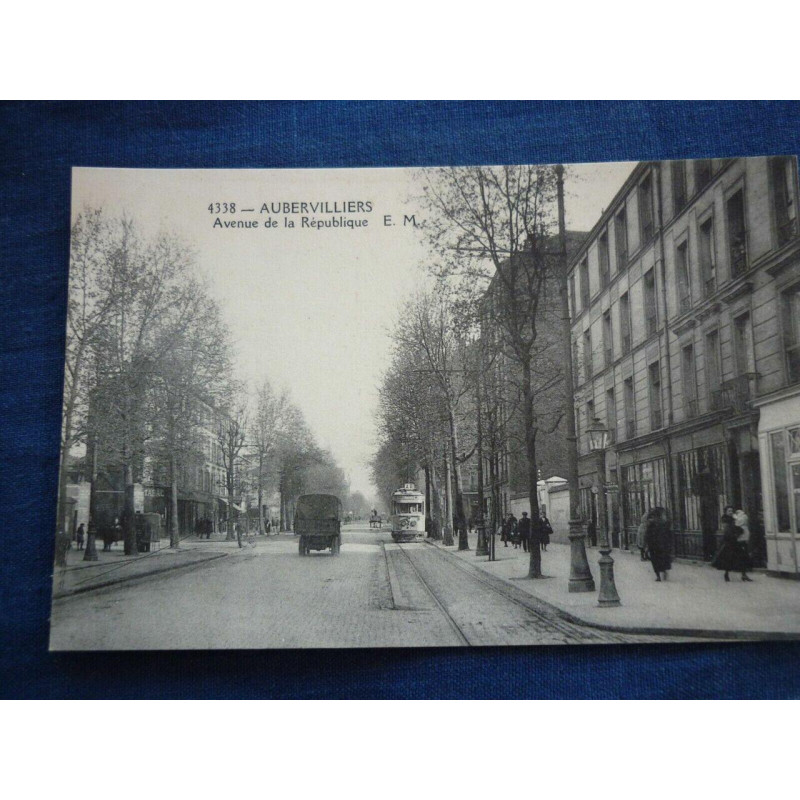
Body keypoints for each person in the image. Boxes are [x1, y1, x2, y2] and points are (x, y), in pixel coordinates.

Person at [712, 506, 752, 581]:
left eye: (731, 511)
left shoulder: (734, 519)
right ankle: (726, 574)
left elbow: (738, 526)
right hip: (729, 542)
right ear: (726, 512)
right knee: (729, 559)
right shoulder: (725, 519)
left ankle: (744, 575)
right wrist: (737, 531)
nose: (730, 512)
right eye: (729, 511)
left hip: (736, 541)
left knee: (742, 557)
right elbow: (729, 530)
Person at [644, 506, 673, 582]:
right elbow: (668, 534)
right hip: (662, 544)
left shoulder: (650, 524)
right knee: (662, 558)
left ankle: (658, 576)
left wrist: (646, 545)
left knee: (654, 560)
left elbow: (647, 535)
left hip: (653, 545)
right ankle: (664, 571)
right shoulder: (664, 523)